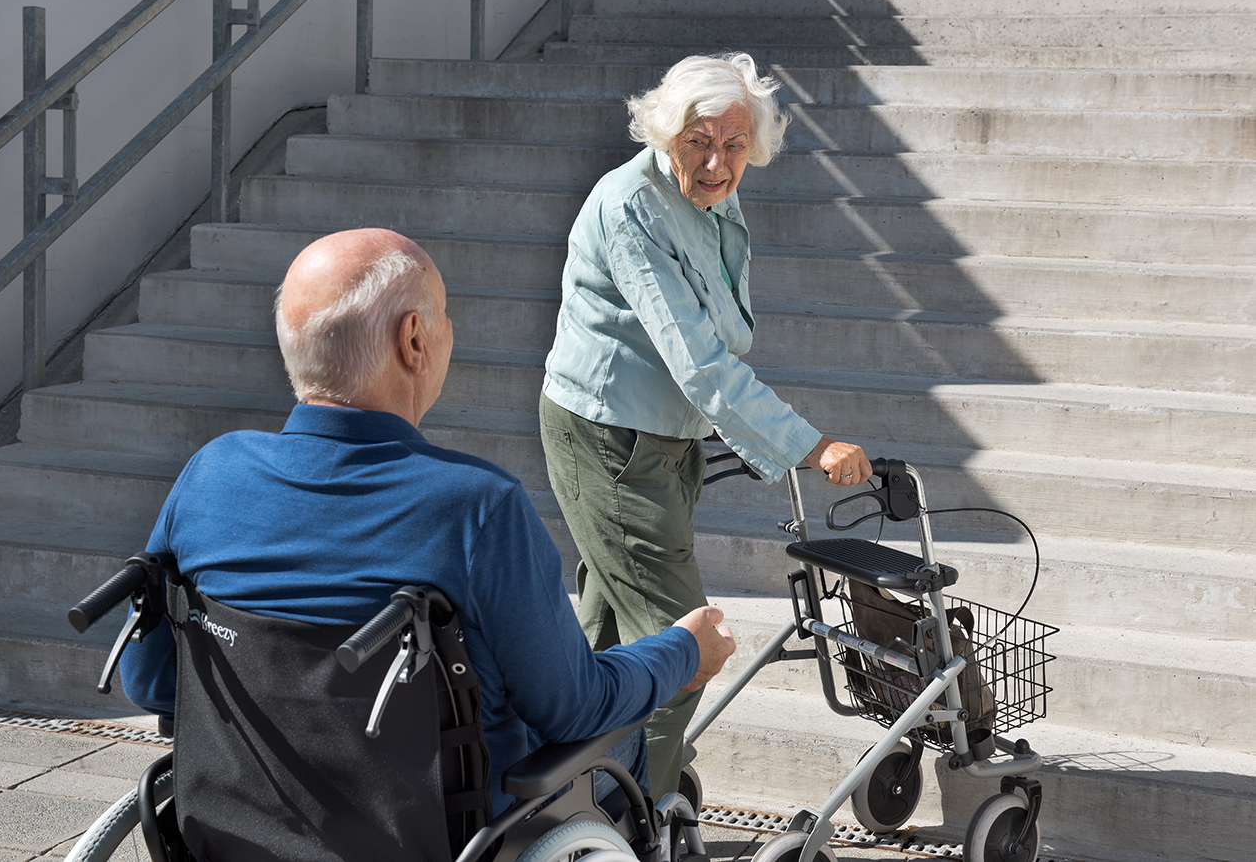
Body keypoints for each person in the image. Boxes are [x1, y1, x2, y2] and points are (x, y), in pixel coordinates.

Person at [119, 228, 737, 815]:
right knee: (620, 746)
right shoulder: (476, 507)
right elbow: (574, 710)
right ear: (413, 340)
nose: (449, 332)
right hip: (441, 828)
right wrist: (683, 652)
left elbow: (149, 681)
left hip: (247, 821)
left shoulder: (210, 473)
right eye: (443, 317)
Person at [539, 52, 872, 798]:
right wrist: (811, 446)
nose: (717, 162)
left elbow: (719, 334)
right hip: (611, 437)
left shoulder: (712, 194)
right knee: (683, 650)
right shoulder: (631, 204)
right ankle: (639, 818)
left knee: (604, 636)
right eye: (698, 142)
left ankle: (559, 805)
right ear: (664, 133)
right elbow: (701, 363)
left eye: (733, 145)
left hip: (663, 438)